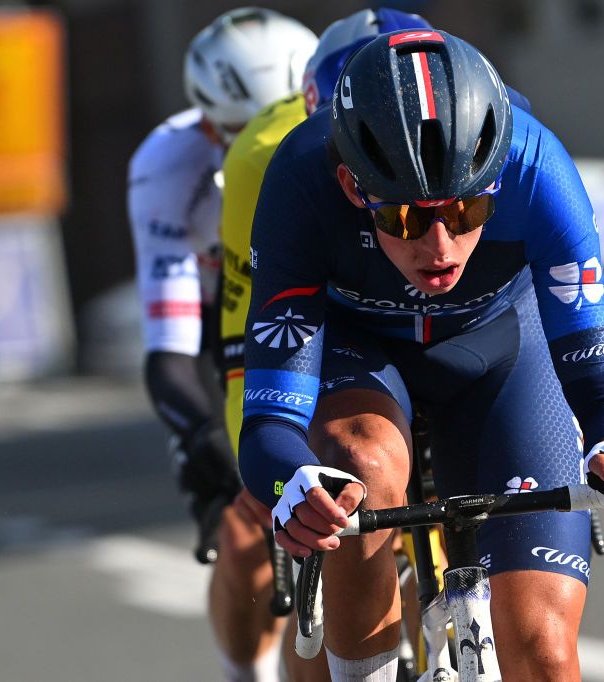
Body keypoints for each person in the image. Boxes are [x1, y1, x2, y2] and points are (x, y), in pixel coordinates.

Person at [237, 30, 604, 682]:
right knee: (358, 466)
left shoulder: (538, 166)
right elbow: (269, 425)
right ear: (351, 185)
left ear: (497, 179)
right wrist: (295, 482)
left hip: (502, 341)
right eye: (404, 221)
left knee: (540, 649)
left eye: (467, 207)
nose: (441, 246)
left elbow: (602, 380)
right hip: (358, 349)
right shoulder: (300, 184)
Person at [218, 9, 435, 679]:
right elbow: (248, 341)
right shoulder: (270, 157)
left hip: (445, 336)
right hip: (329, 335)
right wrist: (268, 466)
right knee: (281, 527)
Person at [127, 8, 317, 681]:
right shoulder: (169, 168)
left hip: (320, 316)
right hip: (224, 331)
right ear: (207, 123)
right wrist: (213, 444)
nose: (267, 144)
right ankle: (249, 671)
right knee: (247, 541)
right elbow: (173, 349)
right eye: (240, 131)